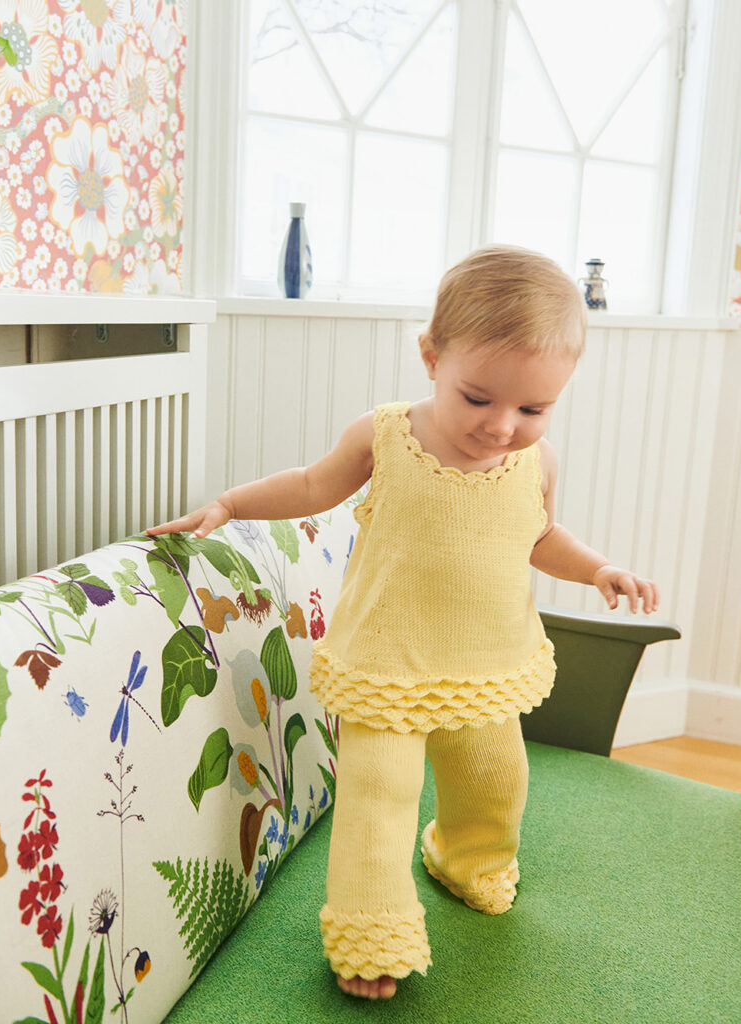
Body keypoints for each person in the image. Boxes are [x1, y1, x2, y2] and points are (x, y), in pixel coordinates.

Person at [148, 245, 659, 1001]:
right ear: (431, 357)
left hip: (486, 666)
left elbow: (541, 536)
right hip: (386, 665)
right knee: (378, 802)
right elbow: (311, 485)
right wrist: (230, 503)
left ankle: (465, 859)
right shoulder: (386, 435)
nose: (501, 426)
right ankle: (370, 934)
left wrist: (599, 569)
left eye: (532, 409)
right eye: (478, 398)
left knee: (496, 783)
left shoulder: (538, 462)